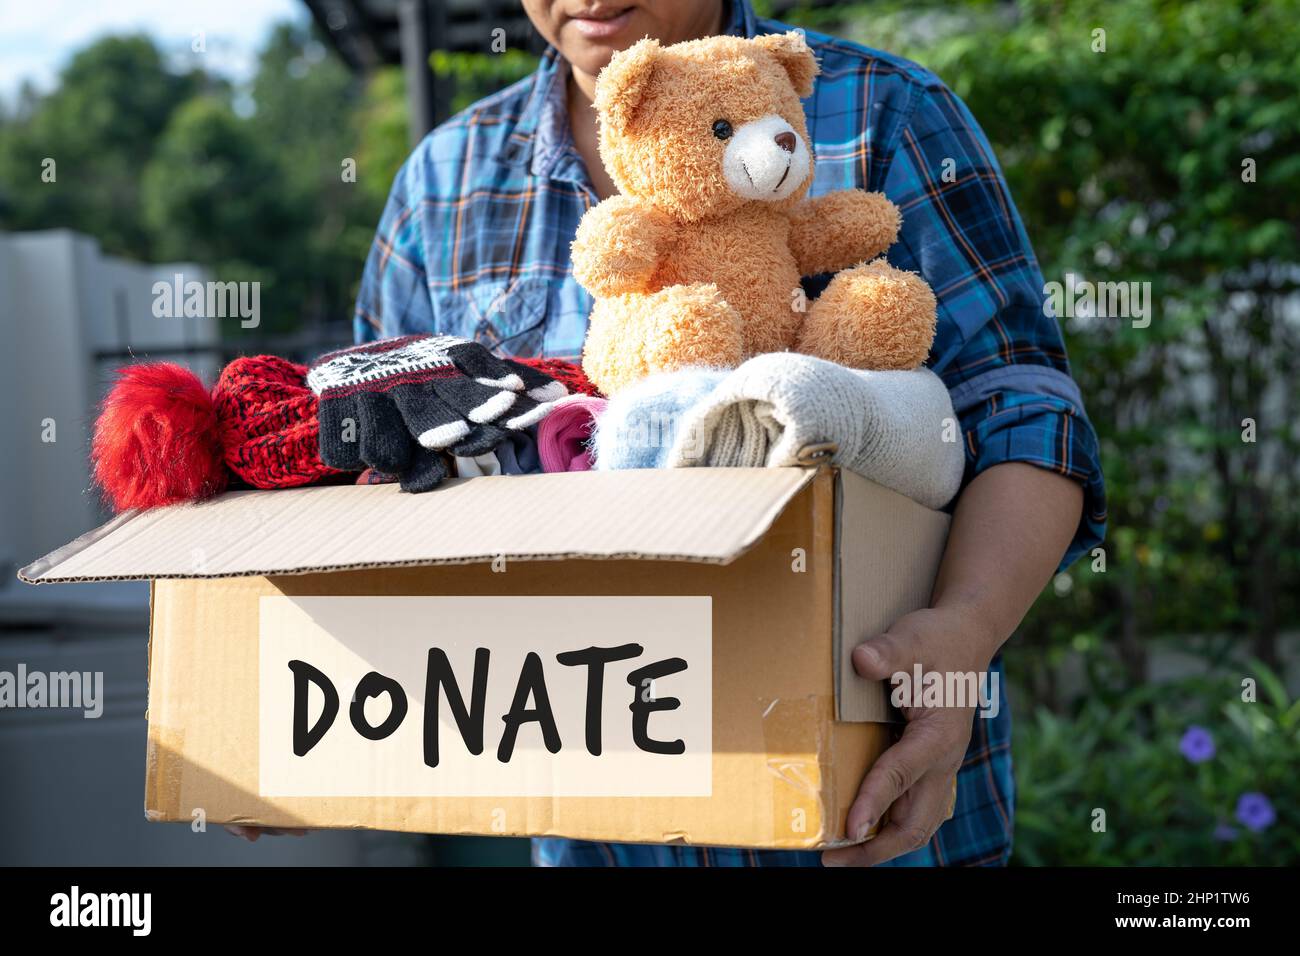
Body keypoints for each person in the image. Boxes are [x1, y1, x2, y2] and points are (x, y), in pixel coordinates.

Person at [340, 0, 1105, 866]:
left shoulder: (882, 111)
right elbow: (372, 458)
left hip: (863, 815)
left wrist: (965, 631)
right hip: (598, 828)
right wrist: (285, 712)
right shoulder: (446, 178)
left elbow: (1023, 408)